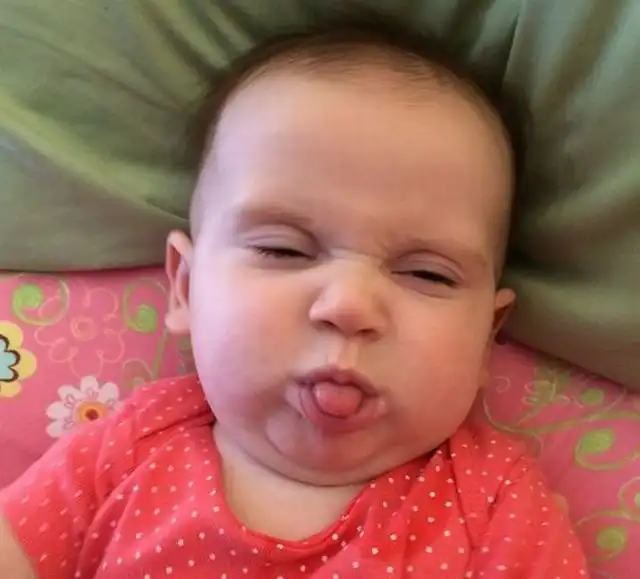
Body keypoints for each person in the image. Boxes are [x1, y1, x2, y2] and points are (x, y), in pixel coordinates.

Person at [0, 11, 589, 578]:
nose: (349, 306)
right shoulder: (126, 449)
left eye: (427, 275)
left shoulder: (494, 504)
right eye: (284, 250)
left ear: (486, 338)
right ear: (185, 286)